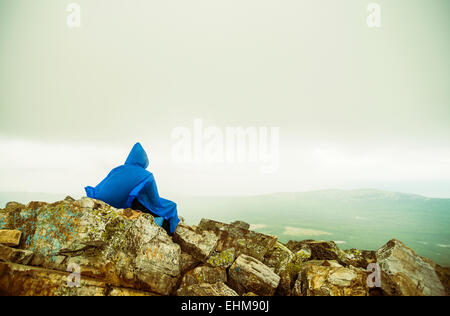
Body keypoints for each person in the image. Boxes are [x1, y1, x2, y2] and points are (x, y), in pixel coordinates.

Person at [84, 142, 180, 235]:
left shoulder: (118, 169)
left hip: (99, 199)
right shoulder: (147, 175)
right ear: (144, 161)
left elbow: (103, 184)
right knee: (171, 206)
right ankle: (170, 233)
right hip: (120, 204)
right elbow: (155, 201)